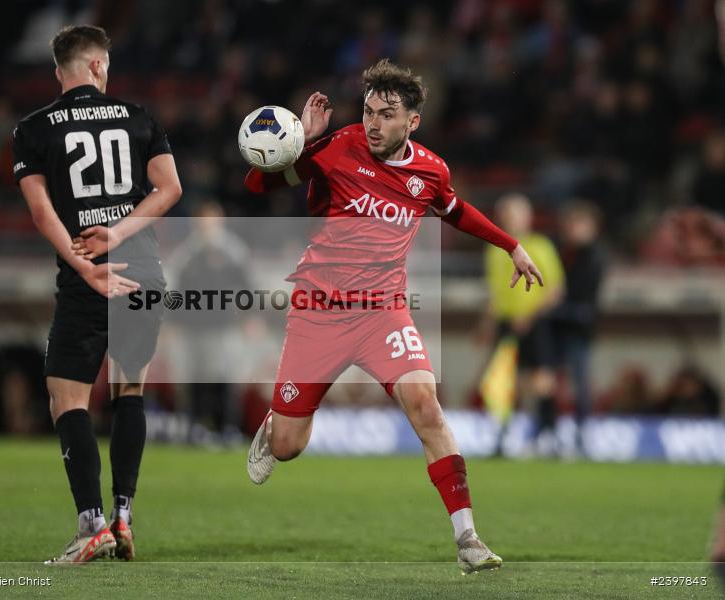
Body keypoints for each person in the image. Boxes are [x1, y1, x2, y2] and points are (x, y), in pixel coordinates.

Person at [244, 59, 544, 573]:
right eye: (367, 111)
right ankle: (278, 423)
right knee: (290, 446)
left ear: (413, 122)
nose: (373, 123)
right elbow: (258, 185)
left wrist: (511, 245)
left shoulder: (431, 170)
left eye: (386, 114)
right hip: (319, 310)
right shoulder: (339, 147)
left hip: (383, 311)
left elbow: (456, 212)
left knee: (426, 405)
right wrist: (305, 142)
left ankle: (467, 538)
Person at [13, 25, 181, 564]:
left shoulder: (33, 128)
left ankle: (91, 525)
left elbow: (42, 212)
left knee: (67, 399)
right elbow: (170, 189)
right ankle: (124, 515)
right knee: (129, 391)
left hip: (86, 272)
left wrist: (83, 263)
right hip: (145, 269)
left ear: (59, 70)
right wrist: (121, 233)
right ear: (99, 67)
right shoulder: (138, 117)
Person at [484, 194, 564, 456]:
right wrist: (485, 324)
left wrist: (529, 316)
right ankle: (504, 439)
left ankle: (547, 436)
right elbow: (495, 293)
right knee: (504, 383)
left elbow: (555, 289)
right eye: (505, 214)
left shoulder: (540, 246)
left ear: (528, 218)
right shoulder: (494, 249)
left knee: (541, 380)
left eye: (514, 213)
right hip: (506, 323)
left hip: (535, 322)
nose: (509, 219)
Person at [551, 200, 605, 453]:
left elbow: (582, 295)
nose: (572, 229)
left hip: (577, 328)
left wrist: (555, 306)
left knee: (579, 383)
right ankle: (550, 432)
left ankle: (583, 435)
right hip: (557, 328)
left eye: (578, 224)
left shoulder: (594, 256)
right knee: (550, 383)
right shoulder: (561, 251)